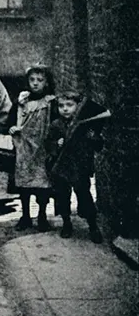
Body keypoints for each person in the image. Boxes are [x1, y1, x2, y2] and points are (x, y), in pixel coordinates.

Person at [45, 91, 104, 243]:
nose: (65, 109)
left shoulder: (85, 124)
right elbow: (48, 143)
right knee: (62, 197)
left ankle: (93, 226)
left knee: (84, 196)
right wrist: (55, 145)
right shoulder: (55, 125)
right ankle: (66, 223)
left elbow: (98, 145)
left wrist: (93, 137)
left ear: (77, 107)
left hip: (80, 167)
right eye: (61, 106)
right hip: (61, 167)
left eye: (69, 105)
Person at [8, 64, 58, 232]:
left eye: (40, 80)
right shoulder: (22, 101)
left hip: (42, 148)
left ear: (47, 83)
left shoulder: (51, 103)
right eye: (32, 80)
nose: (35, 83)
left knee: (42, 184)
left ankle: (42, 216)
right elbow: (10, 121)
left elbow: (57, 124)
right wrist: (12, 128)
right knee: (24, 184)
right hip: (24, 148)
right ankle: (26, 217)